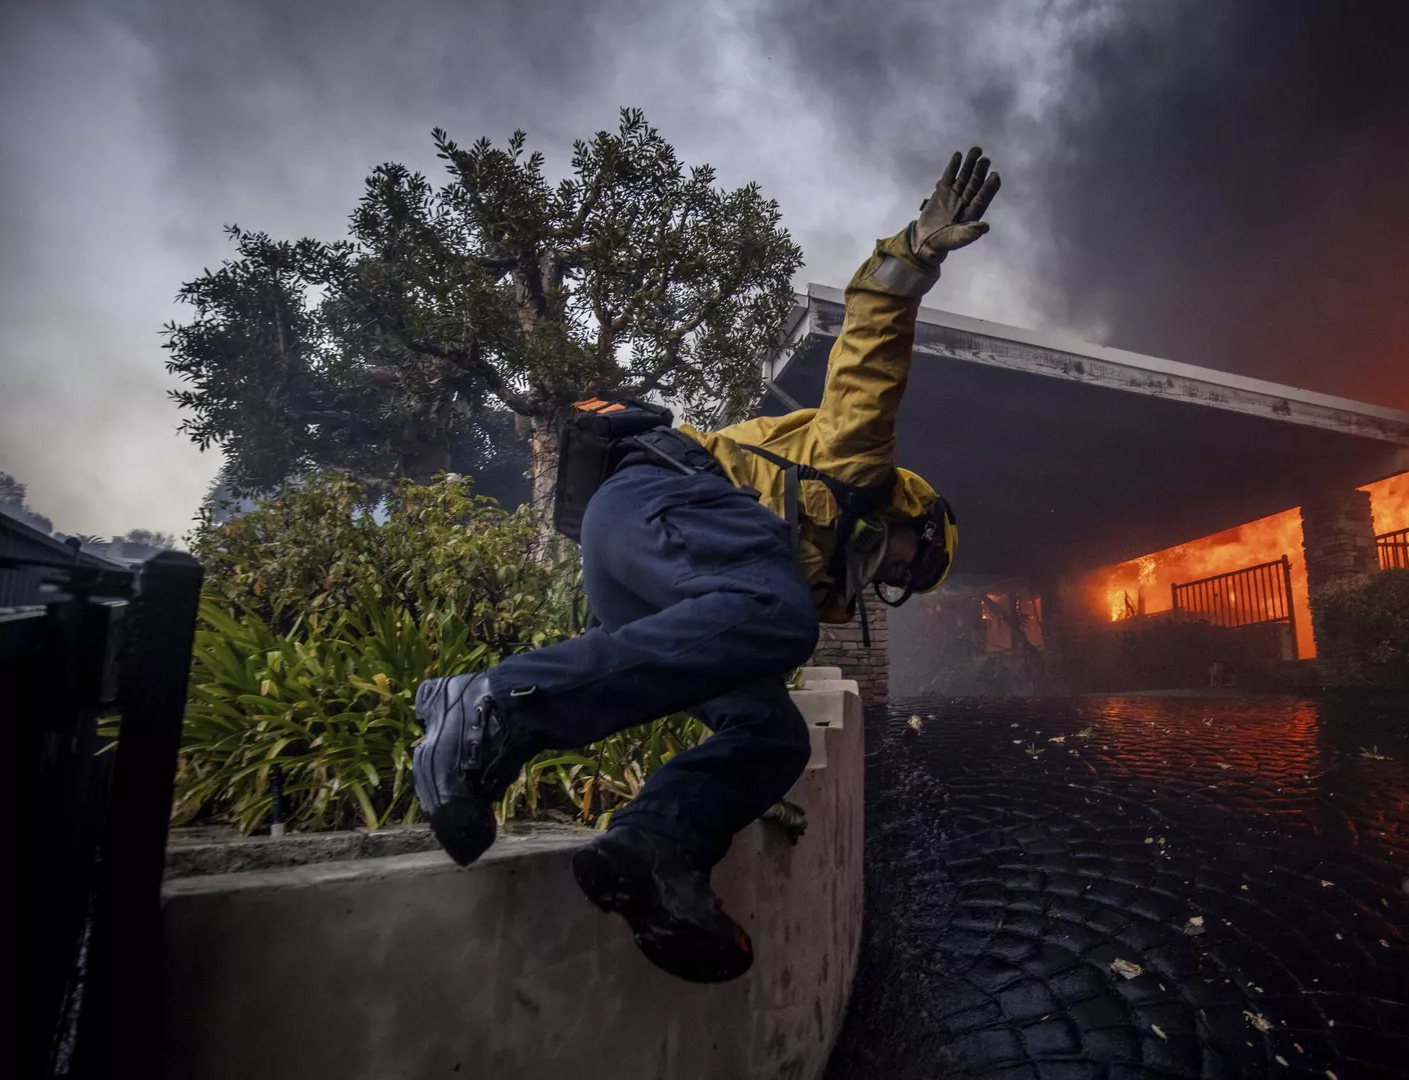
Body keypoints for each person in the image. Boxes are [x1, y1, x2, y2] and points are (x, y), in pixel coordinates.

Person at [410, 148, 1000, 984]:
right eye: (908, 563)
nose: (889, 578)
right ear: (913, 520)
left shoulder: (799, 570)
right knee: (780, 614)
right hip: (657, 498)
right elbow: (873, 339)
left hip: (643, 568)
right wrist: (916, 250)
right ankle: (489, 707)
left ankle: (655, 847)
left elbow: (724, 628)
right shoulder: (859, 469)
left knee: (772, 735)